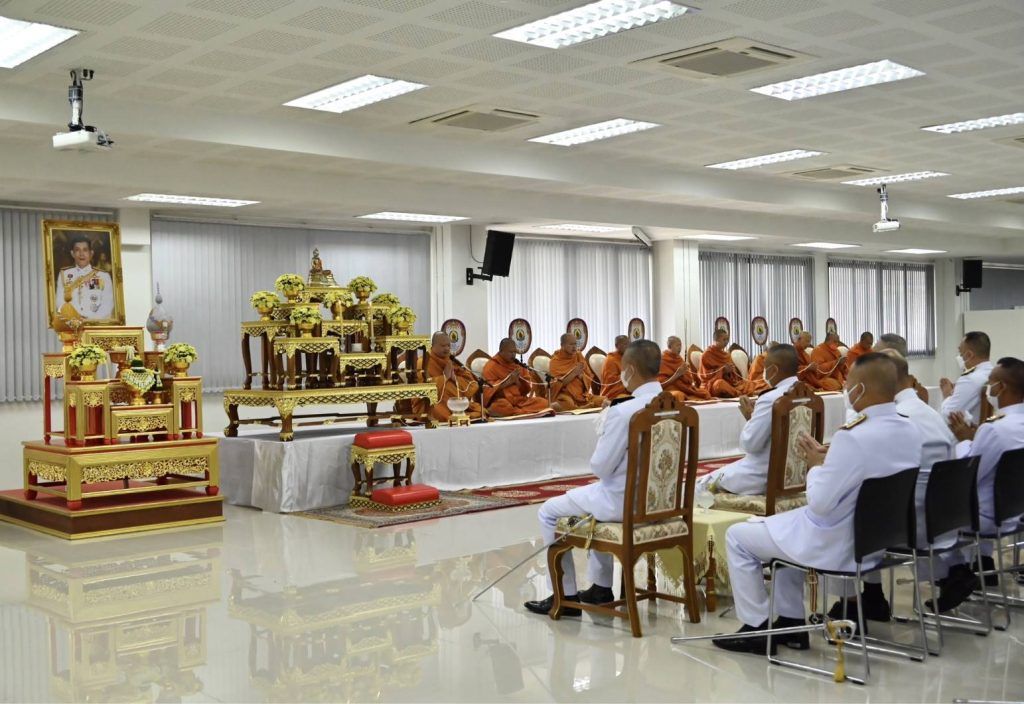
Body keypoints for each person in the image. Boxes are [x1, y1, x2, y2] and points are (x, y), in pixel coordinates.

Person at [713, 354, 922, 655]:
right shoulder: (909, 429)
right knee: (780, 531)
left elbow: (821, 503)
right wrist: (830, 459)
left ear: (861, 388)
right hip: (876, 541)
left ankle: (756, 627)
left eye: (849, 383)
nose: (846, 389)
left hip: (837, 542)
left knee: (738, 537)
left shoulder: (854, 436)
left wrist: (814, 466)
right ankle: (791, 625)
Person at [524, 340, 665, 615]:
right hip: (659, 503)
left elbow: (600, 467)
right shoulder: (675, 405)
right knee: (592, 503)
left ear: (630, 369)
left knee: (548, 511)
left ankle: (563, 595)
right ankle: (600, 587)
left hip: (621, 503)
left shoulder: (624, 411)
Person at [828, 349, 956, 624]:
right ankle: (873, 596)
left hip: (905, 523)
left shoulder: (896, 419)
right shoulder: (930, 413)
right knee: (867, 505)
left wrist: (822, 465)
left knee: (843, 512)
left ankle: (853, 604)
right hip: (943, 517)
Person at [929, 357, 1024, 612]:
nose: (987, 390)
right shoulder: (1002, 426)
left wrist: (963, 440)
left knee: (926, 512)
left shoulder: (994, 429)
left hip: (986, 517)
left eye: (990, 384)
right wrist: (974, 438)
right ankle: (975, 565)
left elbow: (969, 476)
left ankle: (955, 572)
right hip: (1015, 512)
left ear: (1001, 387)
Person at [697, 343, 800, 495]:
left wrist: (750, 418)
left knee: (699, 486)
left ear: (774, 370)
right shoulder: (807, 395)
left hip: (762, 476)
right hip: (796, 474)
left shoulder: (770, 399)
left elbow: (750, 444)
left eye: (765, 367)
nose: (764, 372)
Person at [417, 332, 482, 422]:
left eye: (448, 345)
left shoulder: (451, 360)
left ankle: (460, 415)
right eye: (443, 346)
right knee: (435, 411)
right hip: (433, 403)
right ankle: (457, 417)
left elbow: (471, 383)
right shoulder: (423, 362)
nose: (447, 348)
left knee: (480, 409)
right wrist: (444, 377)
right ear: (433, 346)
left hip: (454, 402)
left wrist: (455, 379)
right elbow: (422, 388)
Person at [483, 338, 553, 418]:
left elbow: (525, 391)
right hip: (502, 400)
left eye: (515, 352)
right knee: (502, 407)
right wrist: (508, 382)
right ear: (501, 351)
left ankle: (516, 412)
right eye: (510, 352)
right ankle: (517, 411)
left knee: (544, 403)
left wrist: (517, 382)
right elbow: (487, 389)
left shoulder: (518, 366)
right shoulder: (491, 366)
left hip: (520, 401)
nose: (513, 355)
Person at [54, 235, 114, 320]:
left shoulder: (103, 276)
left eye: (85, 250)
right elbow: (59, 302)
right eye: (77, 250)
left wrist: (89, 320)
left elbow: (107, 305)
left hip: (95, 324)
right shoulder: (64, 275)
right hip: (71, 324)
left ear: (91, 253)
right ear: (72, 253)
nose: (81, 254)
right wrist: (74, 319)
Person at [940, 331, 994, 423]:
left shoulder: (969, 380)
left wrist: (947, 395)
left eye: (961, 354)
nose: (959, 357)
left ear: (969, 355)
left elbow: (948, 416)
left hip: (973, 431)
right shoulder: (995, 374)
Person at [700, 329, 766, 398]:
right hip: (711, 385)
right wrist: (722, 371)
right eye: (724, 339)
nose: (726, 342)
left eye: (727, 339)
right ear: (716, 340)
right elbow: (704, 376)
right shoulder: (706, 355)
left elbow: (733, 375)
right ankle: (740, 393)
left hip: (729, 382)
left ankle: (741, 392)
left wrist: (730, 371)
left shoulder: (726, 355)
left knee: (748, 383)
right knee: (719, 384)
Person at [549, 333, 606, 411]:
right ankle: (581, 408)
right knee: (565, 404)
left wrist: (582, 377)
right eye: (571, 344)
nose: (574, 347)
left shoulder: (578, 356)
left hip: (582, 396)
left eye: (575, 344)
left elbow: (589, 376)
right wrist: (574, 373)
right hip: (566, 396)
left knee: (605, 400)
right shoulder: (555, 361)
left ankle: (580, 408)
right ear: (562, 345)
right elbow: (555, 385)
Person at [660, 336, 711, 402]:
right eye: (677, 345)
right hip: (670, 388)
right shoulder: (662, 360)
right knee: (679, 395)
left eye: (680, 345)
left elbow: (689, 380)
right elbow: (661, 385)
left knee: (705, 393)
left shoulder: (679, 359)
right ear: (670, 346)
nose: (680, 348)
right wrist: (677, 375)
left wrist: (685, 374)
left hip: (683, 388)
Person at [600, 335, 630, 400]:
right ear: (616, 346)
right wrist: (627, 376)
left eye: (629, 344)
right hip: (612, 394)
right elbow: (610, 381)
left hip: (627, 390)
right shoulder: (610, 360)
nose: (628, 346)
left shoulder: (627, 358)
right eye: (625, 344)